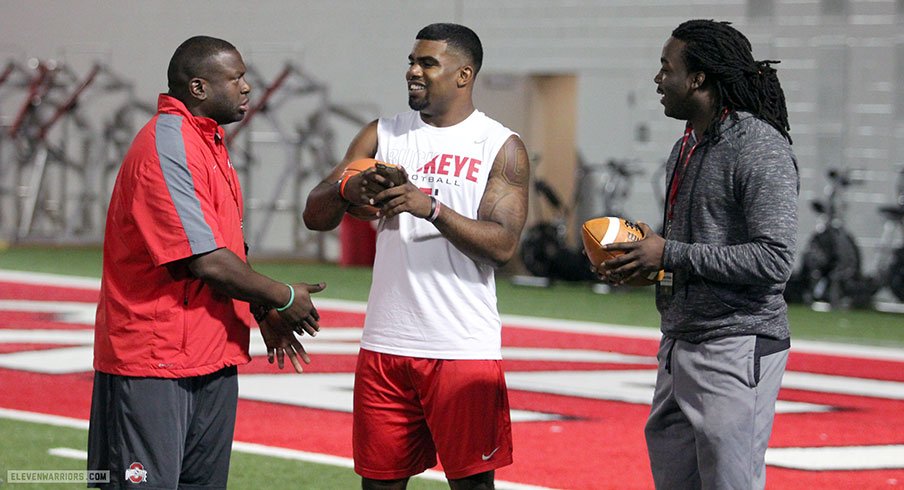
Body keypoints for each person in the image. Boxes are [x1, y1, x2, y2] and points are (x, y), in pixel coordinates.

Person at [88, 35, 326, 489]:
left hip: (209, 351)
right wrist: (283, 296)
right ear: (198, 87)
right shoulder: (169, 143)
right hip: (154, 359)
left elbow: (227, 244)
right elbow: (206, 261)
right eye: (236, 77)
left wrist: (260, 310)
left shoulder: (208, 143)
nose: (247, 87)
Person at [304, 23, 530, 490]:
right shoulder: (382, 134)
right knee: (379, 483)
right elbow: (314, 214)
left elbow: (503, 246)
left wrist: (431, 207)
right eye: (412, 61)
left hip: (461, 347)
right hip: (386, 343)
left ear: (464, 74)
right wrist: (349, 188)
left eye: (428, 63)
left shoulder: (499, 145)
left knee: (471, 484)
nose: (413, 71)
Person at [596, 19, 799, 489]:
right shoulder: (684, 144)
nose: (657, 80)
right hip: (679, 340)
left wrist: (671, 252)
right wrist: (643, 259)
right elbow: (686, 247)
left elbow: (774, 260)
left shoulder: (758, 147)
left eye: (666, 68)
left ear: (698, 78)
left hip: (734, 342)